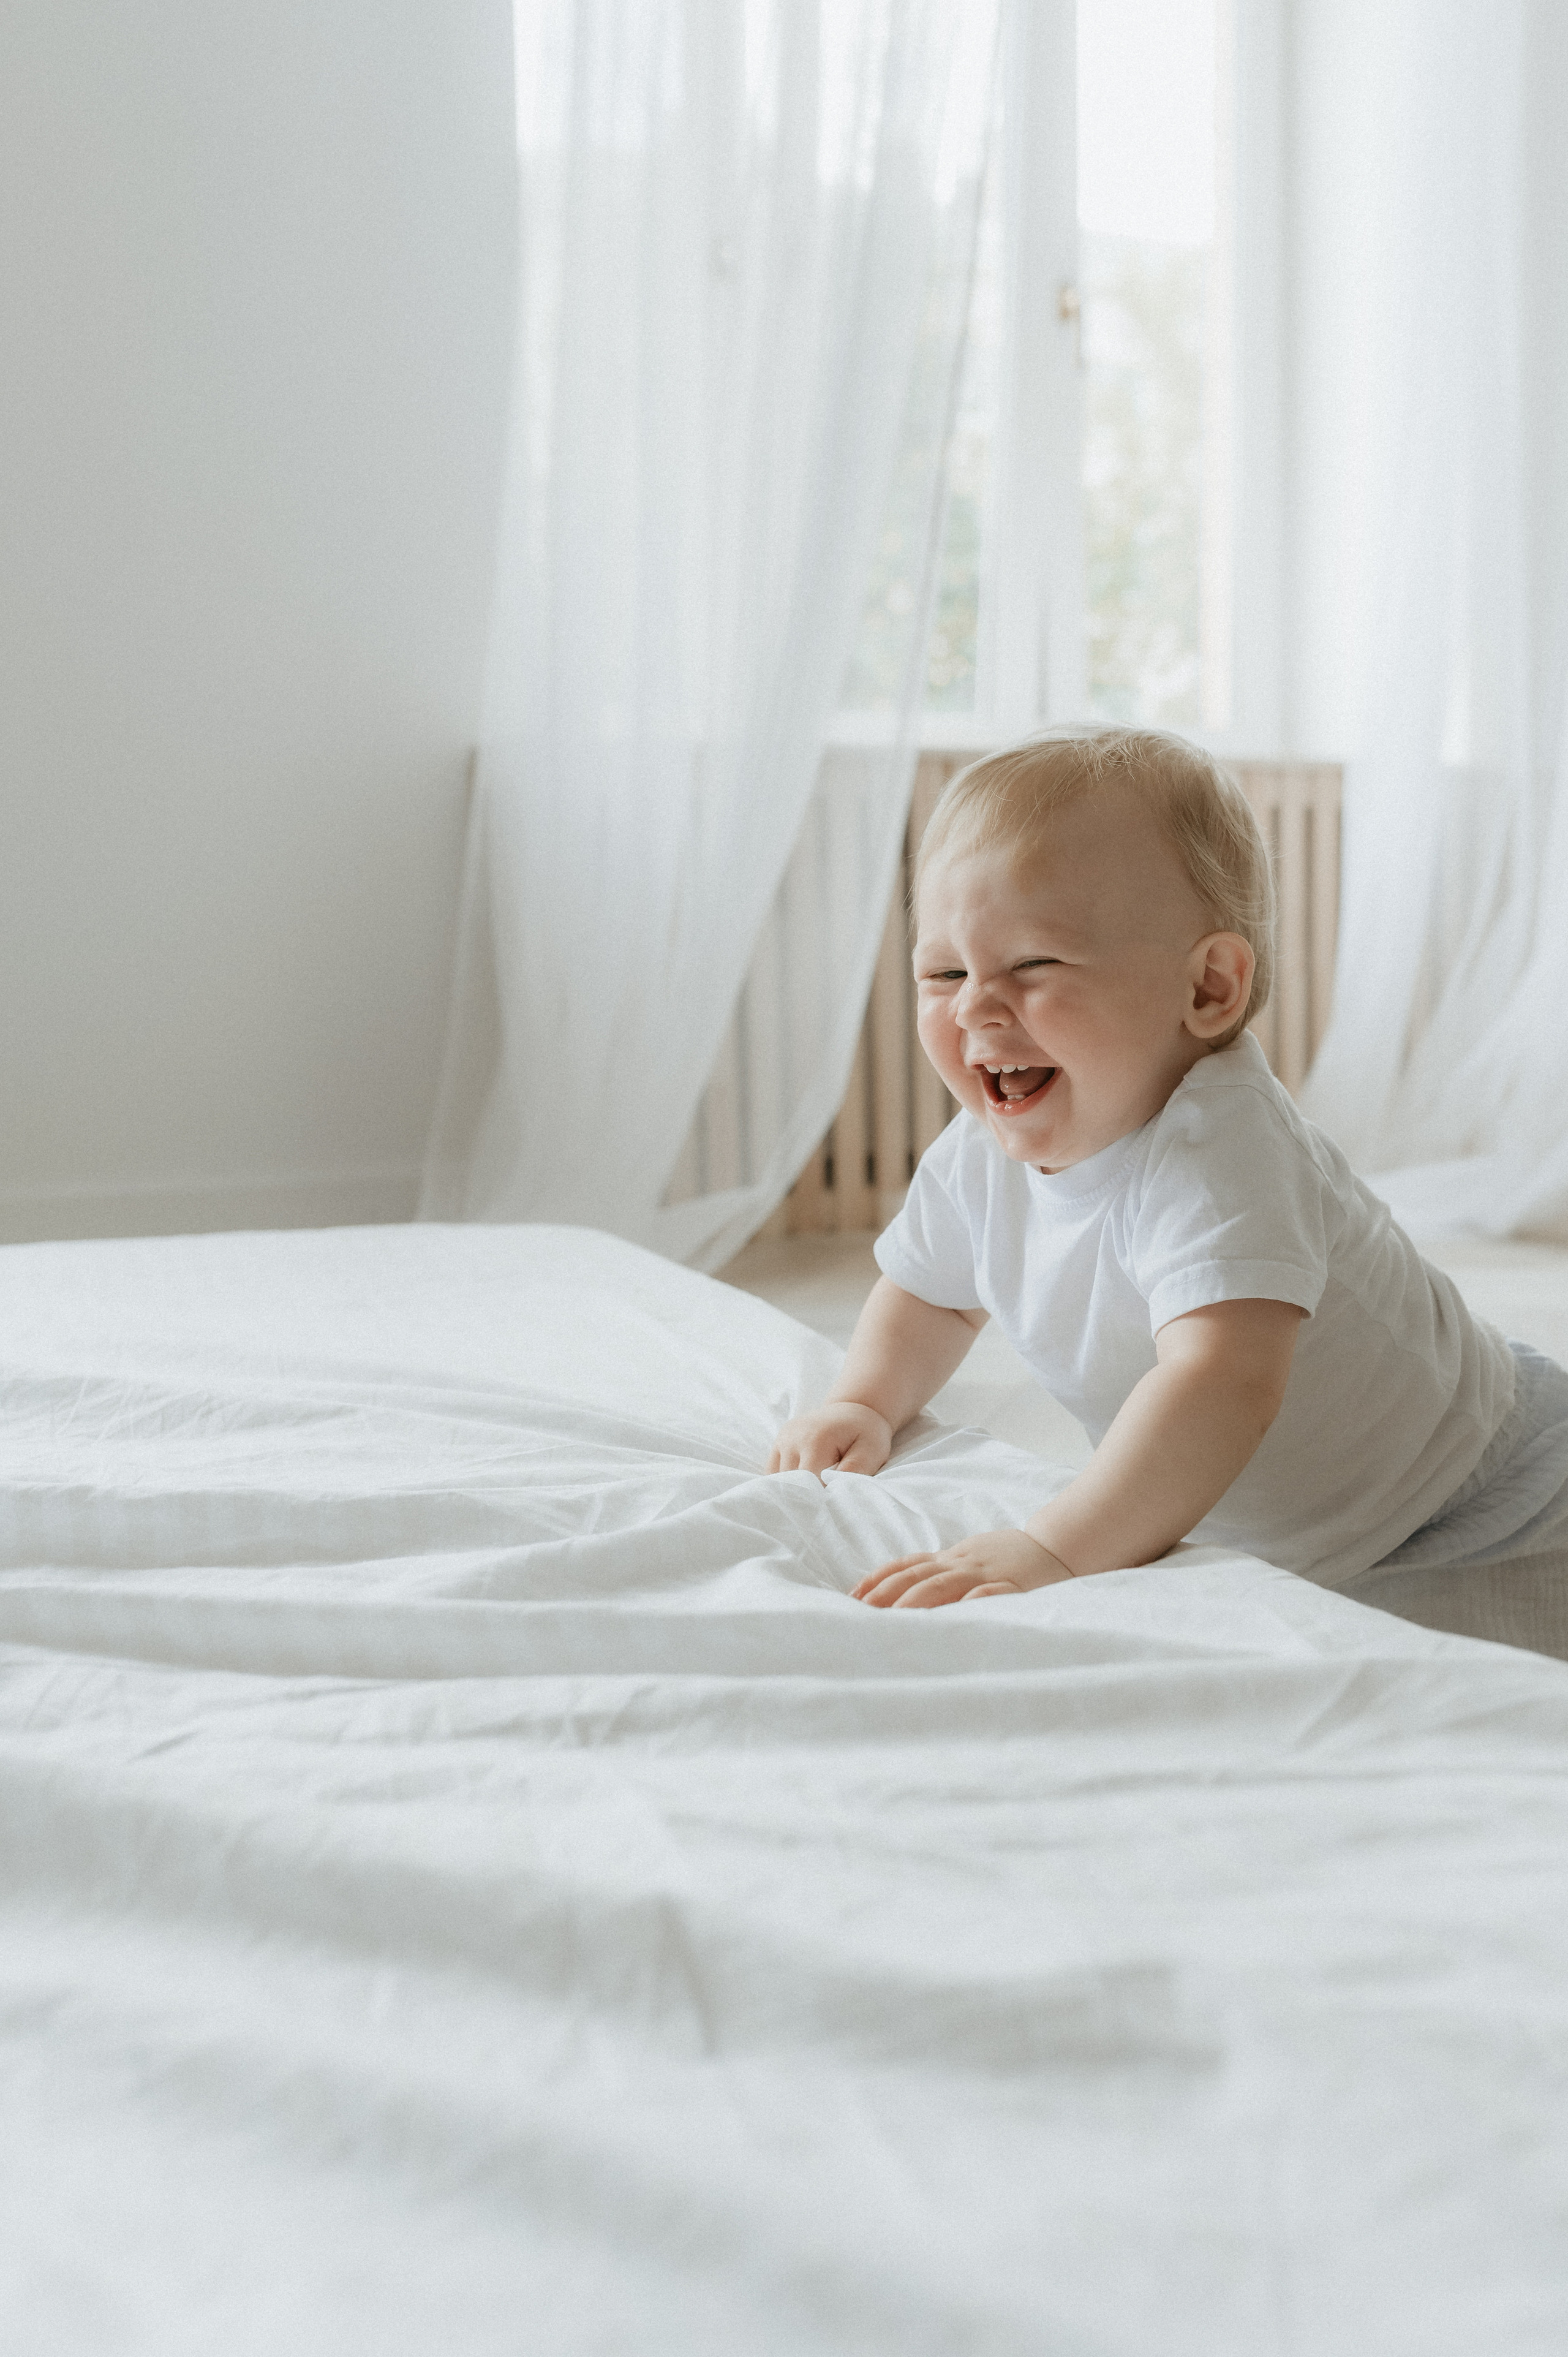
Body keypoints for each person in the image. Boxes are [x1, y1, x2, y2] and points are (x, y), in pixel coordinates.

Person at [766, 727, 1568, 1645]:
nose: (976, 1006)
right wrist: (865, 1400)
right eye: (945, 972)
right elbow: (933, 1296)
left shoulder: (1225, 1151)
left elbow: (1220, 1380)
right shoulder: (980, 1155)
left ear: (1208, 988)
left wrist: (1055, 1547)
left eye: (1033, 965)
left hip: (1488, 1499)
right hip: (1299, 1537)